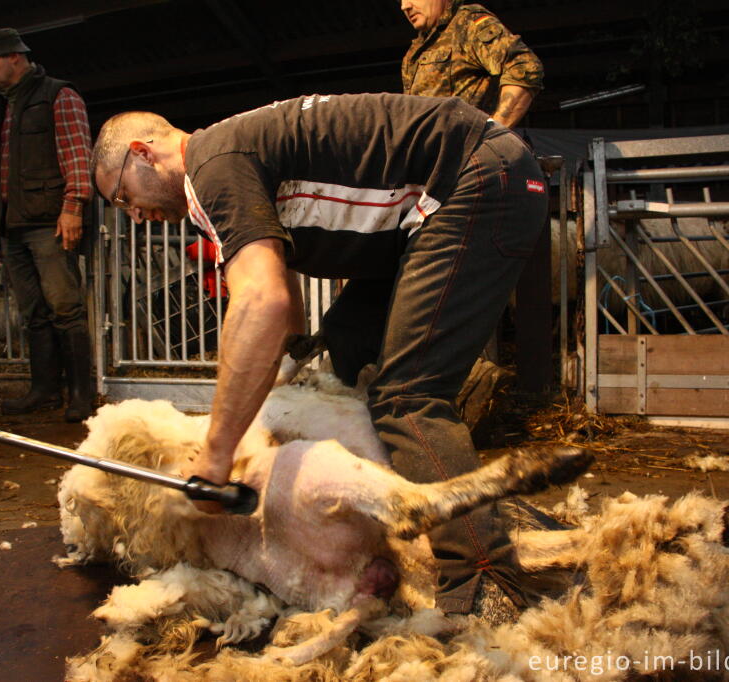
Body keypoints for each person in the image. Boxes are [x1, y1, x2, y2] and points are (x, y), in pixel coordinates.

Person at [91, 94, 549, 621]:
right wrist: (287, 361)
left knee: (408, 396)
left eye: (123, 196)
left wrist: (217, 454)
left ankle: (484, 578)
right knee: (348, 336)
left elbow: (261, 301)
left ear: (143, 153)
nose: (135, 216)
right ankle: (443, 509)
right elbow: (278, 281)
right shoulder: (224, 166)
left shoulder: (211, 167)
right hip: (442, 197)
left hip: (476, 178)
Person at [0, 27, 95, 422]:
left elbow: (78, 153)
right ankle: (44, 389)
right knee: (32, 312)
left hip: (49, 221)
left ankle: (81, 393)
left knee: (65, 307)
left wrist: (73, 206)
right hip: (13, 226)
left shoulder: (58, 95)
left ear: (14, 57)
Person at [400, 0, 543, 127]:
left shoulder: (466, 23)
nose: (404, 6)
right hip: (431, 155)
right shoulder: (414, 52)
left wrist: (494, 132)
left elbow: (525, 66)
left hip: (466, 153)